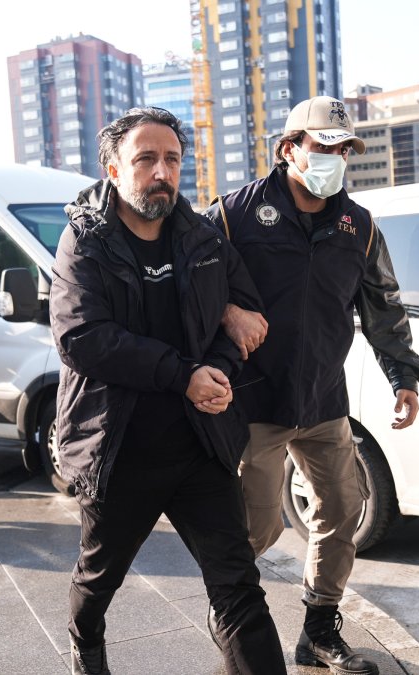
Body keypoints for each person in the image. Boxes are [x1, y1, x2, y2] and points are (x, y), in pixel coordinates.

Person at [51, 107, 284, 675]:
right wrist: (184, 375)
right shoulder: (85, 242)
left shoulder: (203, 238)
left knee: (238, 585)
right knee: (99, 577)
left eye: (173, 159)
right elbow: (83, 337)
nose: (162, 172)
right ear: (113, 168)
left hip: (199, 444)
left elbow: (246, 316)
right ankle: (86, 643)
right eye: (146, 159)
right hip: (119, 447)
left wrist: (219, 374)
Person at [206, 96, 419, 675]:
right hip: (254, 398)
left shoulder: (359, 225)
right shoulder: (233, 215)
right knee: (258, 525)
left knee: (341, 507)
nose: (335, 158)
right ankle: (231, 610)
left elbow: (384, 306)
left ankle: (319, 630)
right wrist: (227, 312)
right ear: (289, 149)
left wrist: (403, 375)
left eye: (343, 150)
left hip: (324, 399)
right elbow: (189, 286)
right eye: (323, 147)